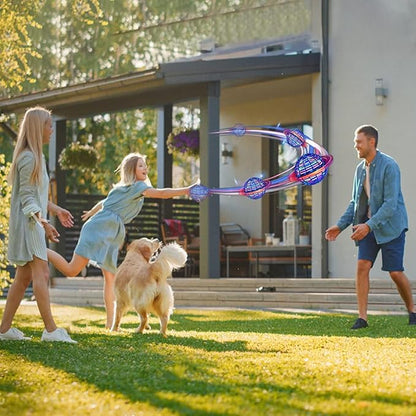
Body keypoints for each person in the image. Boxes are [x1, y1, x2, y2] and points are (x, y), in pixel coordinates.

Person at [47, 152, 195, 329]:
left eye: (145, 165)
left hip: (109, 231)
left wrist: (91, 213)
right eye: (141, 165)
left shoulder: (124, 189)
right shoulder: (137, 187)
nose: (145, 168)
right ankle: (43, 252)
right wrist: (186, 190)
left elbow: (103, 203)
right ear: (132, 169)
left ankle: (111, 324)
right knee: (72, 270)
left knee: (110, 278)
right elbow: (162, 193)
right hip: (100, 229)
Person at [325, 124, 416, 329]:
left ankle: (412, 309)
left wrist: (369, 225)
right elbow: (355, 203)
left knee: (395, 272)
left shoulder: (389, 166)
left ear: (371, 142)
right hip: (367, 226)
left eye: (359, 142)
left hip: (391, 226)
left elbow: (391, 204)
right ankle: (363, 318)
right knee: (362, 266)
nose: (355, 146)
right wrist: (340, 226)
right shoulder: (359, 170)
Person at [0, 107, 77, 343]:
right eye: (49, 125)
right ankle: (51, 330)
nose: (52, 129)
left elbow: (38, 196)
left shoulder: (37, 156)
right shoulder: (27, 158)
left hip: (34, 223)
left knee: (23, 278)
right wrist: (43, 222)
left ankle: (3, 331)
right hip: (29, 226)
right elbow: (27, 198)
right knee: (41, 273)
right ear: (37, 127)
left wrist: (55, 210)